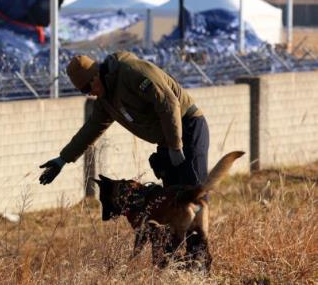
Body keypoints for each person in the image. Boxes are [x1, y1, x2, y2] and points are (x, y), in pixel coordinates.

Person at [39, 50, 209, 188]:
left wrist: (175, 146)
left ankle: (200, 231)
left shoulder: (131, 71)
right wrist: (62, 160)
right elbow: (91, 128)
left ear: (95, 76)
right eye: (83, 92)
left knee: (193, 193)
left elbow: (168, 103)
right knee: (172, 201)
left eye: (86, 88)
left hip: (188, 127)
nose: (89, 94)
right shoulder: (106, 100)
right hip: (169, 140)